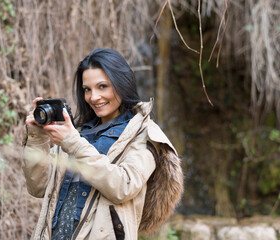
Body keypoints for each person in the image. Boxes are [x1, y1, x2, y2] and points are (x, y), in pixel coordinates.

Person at [22, 48, 183, 240]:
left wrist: (73, 144)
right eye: (87, 89)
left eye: (102, 87)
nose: (93, 97)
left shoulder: (145, 134)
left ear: (122, 84)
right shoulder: (77, 132)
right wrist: (37, 138)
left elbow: (124, 186)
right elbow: (39, 187)